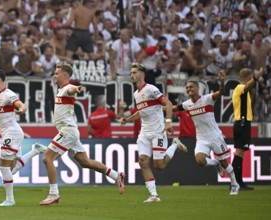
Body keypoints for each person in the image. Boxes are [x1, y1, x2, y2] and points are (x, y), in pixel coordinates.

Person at [39, 63, 125, 206]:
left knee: (47, 158)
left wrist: (77, 89)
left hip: (68, 131)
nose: (54, 75)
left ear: (65, 75)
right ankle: (116, 176)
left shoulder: (67, 88)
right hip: (70, 132)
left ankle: (54, 194)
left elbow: (73, 89)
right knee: (86, 162)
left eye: (56, 73)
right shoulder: (61, 90)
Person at [120, 62, 188, 203]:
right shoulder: (136, 93)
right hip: (144, 132)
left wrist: (168, 122)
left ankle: (174, 144)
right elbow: (141, 111)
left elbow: (168, 104)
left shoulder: (151, 89)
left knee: (159, 165)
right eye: (131, 73)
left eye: (134, 72)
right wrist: (128, 119)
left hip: (158, 131)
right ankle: (154, 195)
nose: (131, 75)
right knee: (143, 161)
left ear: (141, 75)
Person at [0, 69, 46, 206]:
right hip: (9, 133)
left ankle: (10, 200)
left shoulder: (9, 94)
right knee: (10, 169)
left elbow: (20, 104)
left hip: (12, 133)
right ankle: (35, 151)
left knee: (4, 168)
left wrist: (22, 109)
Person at [173, 70, 240, 195]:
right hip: (201, 138)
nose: (188, 89)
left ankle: (234, 184)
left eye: (191, 87)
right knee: (199, 161)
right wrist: (157, 105)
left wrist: (221, 82)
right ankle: (215, 163)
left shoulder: (207, 99)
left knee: (225, 162)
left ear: (198, 88)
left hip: (215, 136)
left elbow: (221, 92)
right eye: (187, 88)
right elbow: (173, 108)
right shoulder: (187, 104)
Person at [232, 67, 263, 190]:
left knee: (240, 154)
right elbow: (247, 87)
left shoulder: (243, 91)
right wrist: (256, 77)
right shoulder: (240, 87)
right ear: (249, 78)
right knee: (239, 153)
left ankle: (238, 182)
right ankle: (237, 183)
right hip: (242, 123)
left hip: (242, 123)